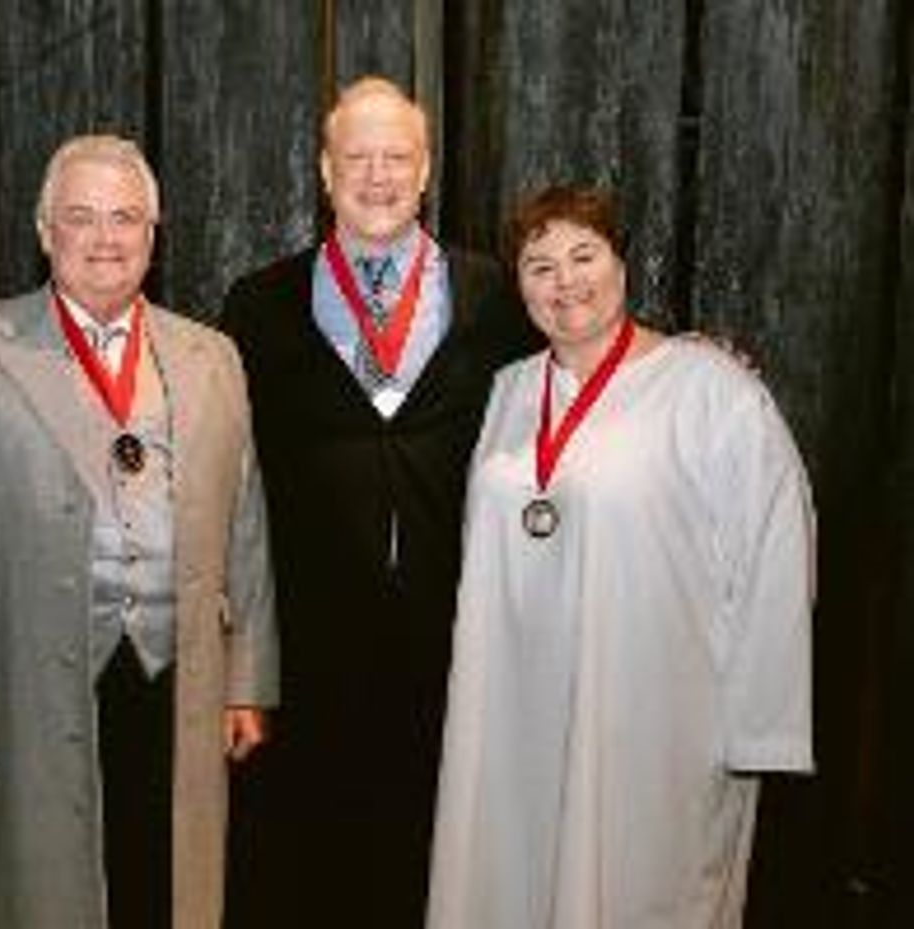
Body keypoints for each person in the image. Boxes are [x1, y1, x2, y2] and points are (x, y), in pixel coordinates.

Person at [0, 133, 277, 929]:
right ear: (44, 231)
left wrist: (249, 679)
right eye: (82, 217)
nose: (106, 238)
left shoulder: (214, 354)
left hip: (176, 672)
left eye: (126, 218)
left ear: (153, 233)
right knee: (33, 894)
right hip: (22, 674)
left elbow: (246, 524)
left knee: (162, 885)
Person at [425, 184, 815, 928]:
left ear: (623, 266)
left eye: (583, 255)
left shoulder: (710, 389)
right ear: (519, 288)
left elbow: (775, 551)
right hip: (513, 709)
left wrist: (759, 727)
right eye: (540, 265)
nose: (565, 280)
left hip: (657, 714)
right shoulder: (509, 391)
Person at [219, 77, 536, 927]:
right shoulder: (258, 304)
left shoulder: (497, 296)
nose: (378, 174)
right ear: (324, 171)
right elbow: (226, 480)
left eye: (397, 155)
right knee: (309, 871)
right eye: (356, 156)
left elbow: (572, 391)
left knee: (440, 865)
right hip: (310, 650)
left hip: (455, 642)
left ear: (426, 168)